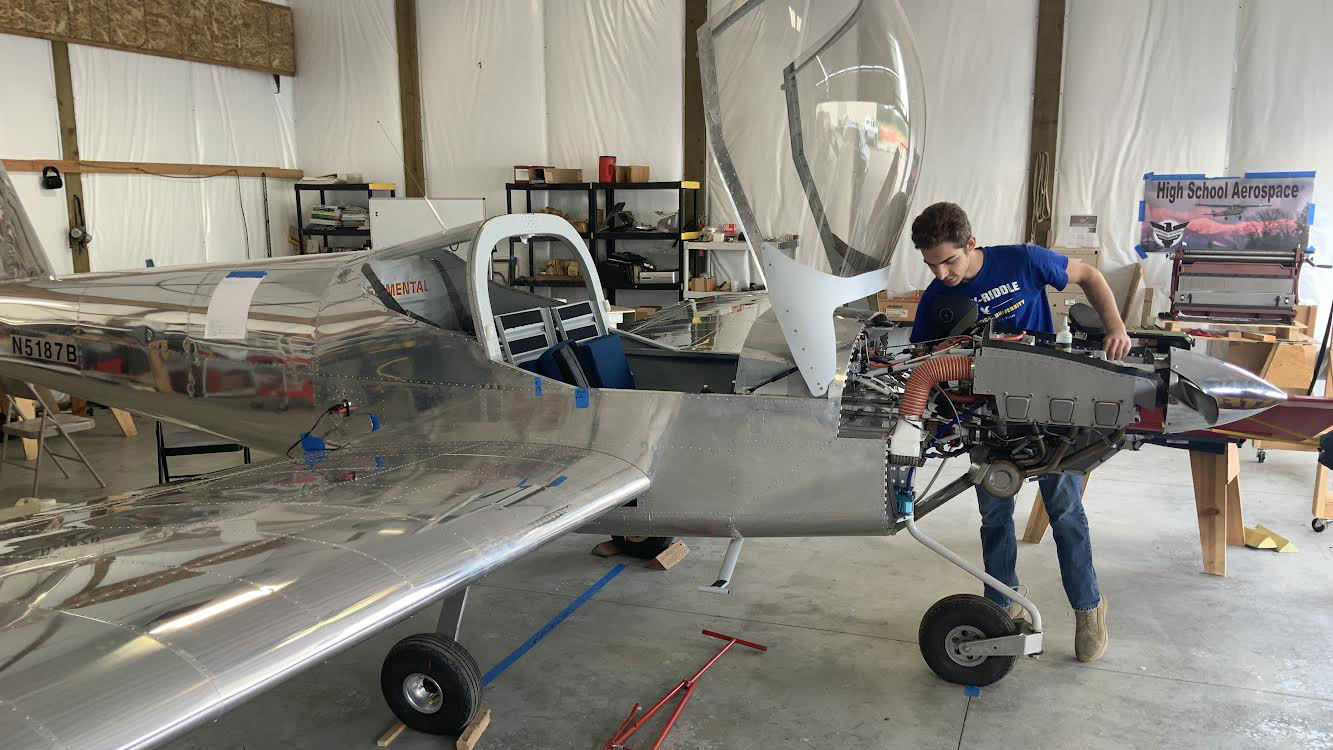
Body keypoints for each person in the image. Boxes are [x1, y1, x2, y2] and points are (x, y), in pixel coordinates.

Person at [907, 202, 1131, 663]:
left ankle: (1089, 608)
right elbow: (922, 361)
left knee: (1066, 513)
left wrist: (1116, 328)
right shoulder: (936, 298)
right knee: (994, 517)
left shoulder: (1024, 260)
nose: (943, 273)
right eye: (932, 264)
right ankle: (1001, 604)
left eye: (949, 260)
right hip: (988, 424)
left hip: (1050, 418)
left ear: (971, 244)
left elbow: (1089, 275)